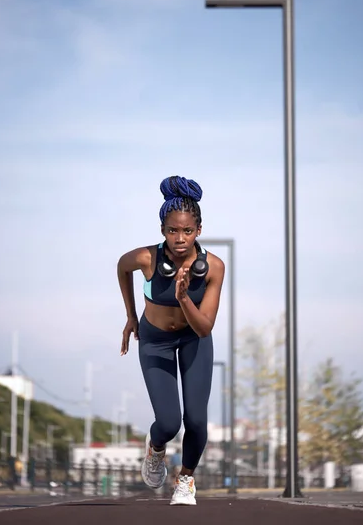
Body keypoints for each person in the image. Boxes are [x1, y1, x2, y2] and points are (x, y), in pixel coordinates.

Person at [117, 175, 225, 506]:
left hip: (194, 339)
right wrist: (131, 316)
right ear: (163, 230)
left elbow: (205, 328)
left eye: (187, 231)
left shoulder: (213, 268)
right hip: (155, 341)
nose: (180, 238)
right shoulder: (147, 259)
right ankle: (156, 449)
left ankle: (186, 480)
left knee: (195, 420)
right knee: (168, 422)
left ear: (199, 230)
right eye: (172, 231)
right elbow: (122, 268)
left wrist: (183, 298)